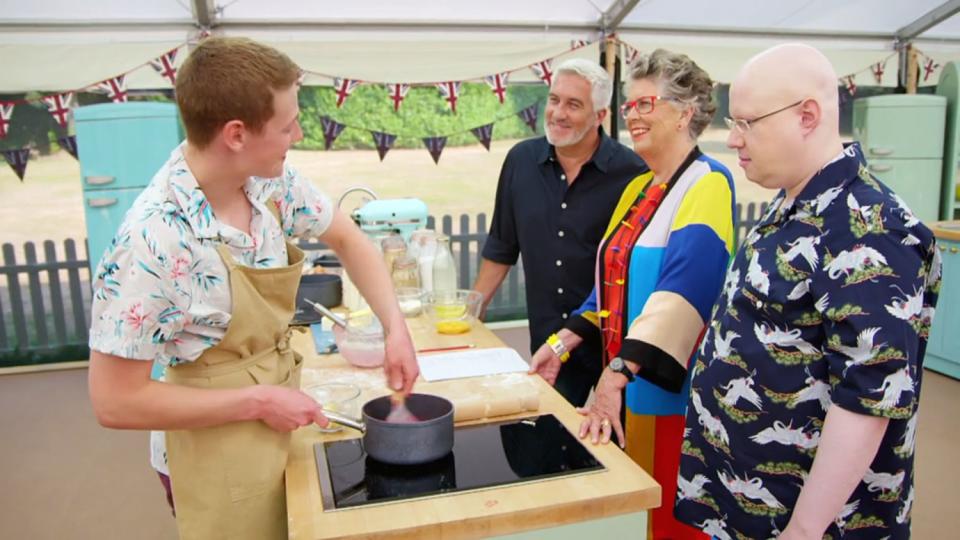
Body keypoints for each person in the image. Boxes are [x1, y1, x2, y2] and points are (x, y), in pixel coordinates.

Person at [87, 37, 419, 540]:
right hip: (213, 448)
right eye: (287, 125)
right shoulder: (153, 242)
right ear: (236, 134)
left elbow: (348, 238)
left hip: (277, 417)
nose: (299, 133)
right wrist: (258, 402)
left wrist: (396, 329)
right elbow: (114, 401)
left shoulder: (269, 182)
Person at [674, 44, 941, 540]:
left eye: (747, 123)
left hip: (807, 521)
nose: (732, 139)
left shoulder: (869, 228)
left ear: (808, 116)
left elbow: (869, 399)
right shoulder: (795, 201)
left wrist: (804, 529)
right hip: (746, 498)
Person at [530, 49, 735, 539]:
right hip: (630, 391)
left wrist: (617, 371)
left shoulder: (708, 184)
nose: (633, 116)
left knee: (670, 518)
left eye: (647, 104)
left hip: (672, 399)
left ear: (685, 113)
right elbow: (608, 288)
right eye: (629, 105)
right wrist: (559, 346)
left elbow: (682, 296)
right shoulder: (640, 188)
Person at [474, 58, 647, 407]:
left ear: (600, 115)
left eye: (573, 104)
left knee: (611, 449)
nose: (558, 113)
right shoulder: (520, 161)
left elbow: (632, 268)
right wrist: (470, 313)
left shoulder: (634, 173)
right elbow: (501, 248)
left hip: (611, 349)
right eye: (554, 100)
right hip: (549, 343)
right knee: (549, 442)